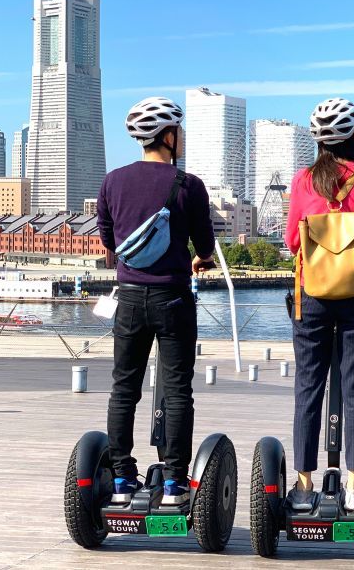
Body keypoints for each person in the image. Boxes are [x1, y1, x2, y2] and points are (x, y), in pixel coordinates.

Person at [96, 96, 215, 505]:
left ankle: (123, 477)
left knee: (123, 387)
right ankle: (173, 483)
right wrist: (201, 258)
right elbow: (204, 243)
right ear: (168, 136)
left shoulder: (112, 181)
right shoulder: (188, 185)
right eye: (178, 132)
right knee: (178, 388)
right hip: (173, 298)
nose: (180, 139)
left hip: (128, 298)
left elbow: (110, 241)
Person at [284, 98, 354, 511]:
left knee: (307, 386)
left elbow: (293, 242)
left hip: (310, 295)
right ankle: (353, 486)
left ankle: (303, 485)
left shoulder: (302, 181)